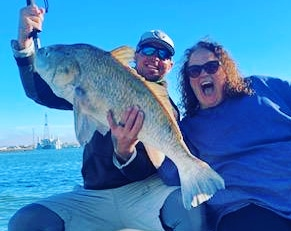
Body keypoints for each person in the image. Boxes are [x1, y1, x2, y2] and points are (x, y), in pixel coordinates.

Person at [8, 4, 205, 231]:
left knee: (190, 212)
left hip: (146, 193)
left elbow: (150, 169)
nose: (155, 58)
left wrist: (125, 151)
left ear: (170, 65)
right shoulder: (90, 83)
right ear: (136, 56)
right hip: (92, 196)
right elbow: (39, 92)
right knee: (26, 222)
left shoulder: (168, 110)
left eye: (164, 54)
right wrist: (25, 46)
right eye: (149, 51)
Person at [175, 39, 291, 231]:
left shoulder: (262, 87)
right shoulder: (189, 128)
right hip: (248, 207)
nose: (203, 73)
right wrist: (129, 142)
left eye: (211, 66)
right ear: (189, 81)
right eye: (194, 71)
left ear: (225, 71)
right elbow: (171, 172)